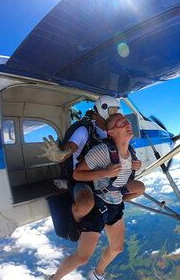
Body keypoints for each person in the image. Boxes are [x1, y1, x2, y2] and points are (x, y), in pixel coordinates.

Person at [48, 113, 144, 280]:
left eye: (127, 121)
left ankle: (98, 274)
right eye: (122, 122)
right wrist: (105, 172)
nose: (128, 124)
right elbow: (77, 174)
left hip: (115, 204)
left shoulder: (131, 153)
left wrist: (135, 165)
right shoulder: (102, 151)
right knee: (82, 258)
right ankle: (54, 278)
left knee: (118, 248)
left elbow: (124, 179)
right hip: (99, 206)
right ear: (111, 132)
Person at [39, 95, 121, 241]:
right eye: (112, 110)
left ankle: (109, 212)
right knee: (85, 204)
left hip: (105, 177)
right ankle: (75, 221)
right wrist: (60, 154)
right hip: (83, 177)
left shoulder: (113, 132)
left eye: (117, 110)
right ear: (103, 111)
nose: (116, 114)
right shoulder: (84, 130)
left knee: (137, 188)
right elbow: (70, 148)